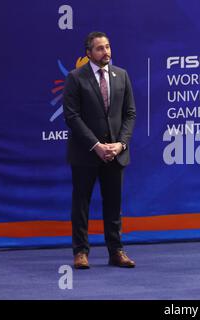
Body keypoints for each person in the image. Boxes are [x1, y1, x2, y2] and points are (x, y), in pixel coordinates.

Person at [63, 31, 137, 269]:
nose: (106, 51)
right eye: (99, 48)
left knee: (113, 204)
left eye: (107, 46)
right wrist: (95, 146)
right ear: (88, 53)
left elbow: (130, 114)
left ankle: (116, 251)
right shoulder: (76, 78)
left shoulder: (122, 76)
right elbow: (72, 116)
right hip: (86, 153)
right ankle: (81, 252)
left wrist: (120, 144)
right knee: (81, 203)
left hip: (115, 154)